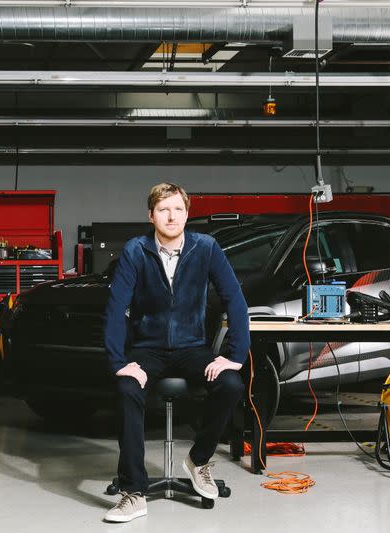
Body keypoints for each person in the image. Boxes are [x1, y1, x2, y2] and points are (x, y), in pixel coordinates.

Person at [102, 182, 249, 523]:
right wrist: (119, 362)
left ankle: (198, 461)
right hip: (148, 349)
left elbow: (235, 300)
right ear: (151, 215)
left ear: (187, 214)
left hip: (191, 348)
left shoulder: (206, 248)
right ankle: (134, 492)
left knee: (231, 384)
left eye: (178, 209)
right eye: (164, 209)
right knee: (126, 389)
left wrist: (235, 354)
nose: (172, 216)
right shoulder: (136, 250)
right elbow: (115, 308)